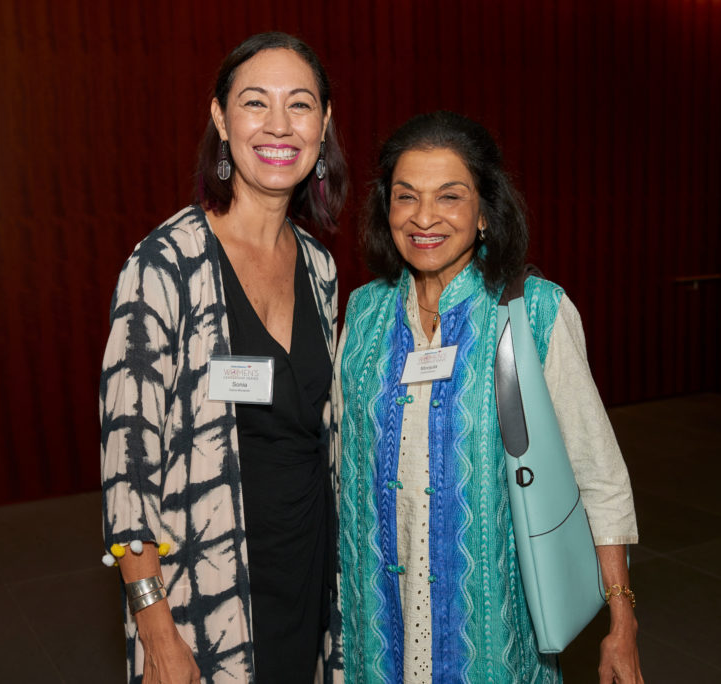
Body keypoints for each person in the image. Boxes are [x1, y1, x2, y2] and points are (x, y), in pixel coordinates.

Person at [334, 111, 643, 683]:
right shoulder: (363, 313)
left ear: (483, 213)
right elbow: (339, 469)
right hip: (379, 627)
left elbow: (598, 476)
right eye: (406, 197)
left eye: (449, 197)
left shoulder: (535, 313)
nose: (424, 217)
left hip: (491, 636)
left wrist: (621, 621)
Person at [100, 32, 347, 684]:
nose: (277, 125)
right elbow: (127, 468)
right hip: (209, 592)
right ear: (220, 118)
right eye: (254, 103)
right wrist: (155, 629)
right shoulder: (166, 264)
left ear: (323, 125)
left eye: (299, 105)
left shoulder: (321, 270)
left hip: (310, 576)